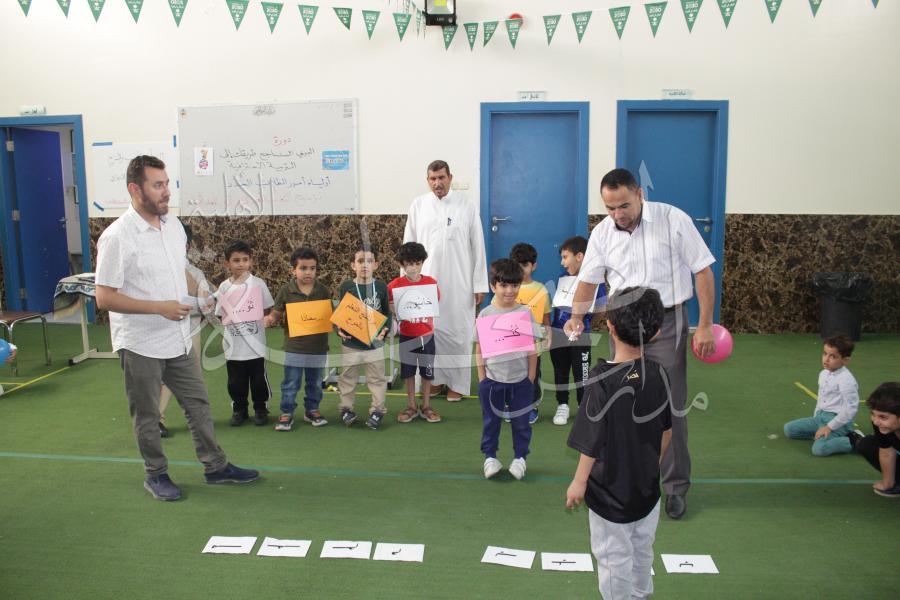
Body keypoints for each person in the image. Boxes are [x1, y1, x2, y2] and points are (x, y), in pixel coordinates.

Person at [95, 154, 259, 502]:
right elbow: (104, 298)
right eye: (158, 185)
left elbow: (177, 270)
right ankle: (156, 474)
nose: (166, 191)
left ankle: (215, 467)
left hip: (179, 336)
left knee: (198, 403)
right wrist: (160, 307)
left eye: (167, 183)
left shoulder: (173, 226)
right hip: (139, 342)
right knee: (148, 413)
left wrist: (201, 297)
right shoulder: (117, 237)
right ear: (135, 189)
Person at [565, 168, 716, 520]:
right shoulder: (602, 233)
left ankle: (674, 486)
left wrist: (706, 326)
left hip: (666, 321)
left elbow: (703, 271)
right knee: (620, 402)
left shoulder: (673, 219)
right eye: (610, 208)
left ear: (639, 194)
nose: (618, 214)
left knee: (669, 406)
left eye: (624, 205)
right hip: (622, 326)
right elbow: (588, 280)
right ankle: (622, 478)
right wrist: (576, 316)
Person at [566, 286, 672, 600]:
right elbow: (667, 431)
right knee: (642, 549)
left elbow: (591, 440)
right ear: (656, 333)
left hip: (609, 495)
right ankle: (640, 594)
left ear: (610, 327)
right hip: (647, 490)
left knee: (613, 558)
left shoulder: (601, 380)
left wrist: (578, 482)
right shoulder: (659, 374)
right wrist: (650, 466)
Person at [403, 160, 488, 401]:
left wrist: (479, 283)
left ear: (450, 177)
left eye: (441, 177)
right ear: (427, 180)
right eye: (433, 179)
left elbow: (478, 246)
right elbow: (408, 245)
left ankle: (457, 385)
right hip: (425, 282)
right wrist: (406, 284)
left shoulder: (466, 205)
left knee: (459, 332)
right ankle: (434, 381)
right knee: (430, 332)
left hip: (460, 282)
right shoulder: (418, 205)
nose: (437, 183)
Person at [475, 259, 537, 481]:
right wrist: (483, 379)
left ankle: (520, 458)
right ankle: (490, 457)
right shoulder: (485, 315)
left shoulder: (525, 313)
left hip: (521, 382)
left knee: (521, 423)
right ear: (493, 286)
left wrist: (530, 378)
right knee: (491, 421)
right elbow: (480, 349)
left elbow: (531, 349)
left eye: (514, 285)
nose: (509, 291)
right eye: (503, 285)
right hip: (492, 381)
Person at [264, 247, 332, 431]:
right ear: (293, 270)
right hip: (294, 347)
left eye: (312, 268)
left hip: (318, 347)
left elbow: (329, 315)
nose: (308, 272)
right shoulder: (286, 291)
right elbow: (276, 313)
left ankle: (312, 410)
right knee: (291, 383)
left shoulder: (323, 291)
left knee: (315, 382)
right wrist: (270, 319)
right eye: (303, 268)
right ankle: (286, 412)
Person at [158, 222, 210, 438]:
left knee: (191, 374)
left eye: (180, 243)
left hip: (190, 329)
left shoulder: (195, 272)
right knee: (162, 375)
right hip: (162, 330)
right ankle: (157, 418)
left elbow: (205, 303)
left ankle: (197, 418)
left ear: (187, 246)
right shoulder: (156, 270)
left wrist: (182, 270)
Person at [215, 240, 275, 427]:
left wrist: (267, 318)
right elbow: (220, 314)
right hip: (233, 347)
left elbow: (267, 308)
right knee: (235, 382)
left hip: (256, 346)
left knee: (259, 381)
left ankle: (261, 409)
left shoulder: (258, 284)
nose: (241, 264)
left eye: (245, 259)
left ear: (251, 261)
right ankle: (239, 410)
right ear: (227, 263)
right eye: (236, 260)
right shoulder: (224, 287)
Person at [336, 246, 392, 430]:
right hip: (351, 344)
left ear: (376, 264)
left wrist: (385, 329)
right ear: (353, 265)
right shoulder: (347, 287)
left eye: (369, 261)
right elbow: (341, 313)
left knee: (377, 379)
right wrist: (338, 328)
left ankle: (377, 410)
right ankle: (346, 409)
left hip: (375, 345)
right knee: (347, 378)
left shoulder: (381, 287)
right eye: (360, 261)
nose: (365, 265)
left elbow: (387, 313)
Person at [387, 242, 441, 424]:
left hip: (427, 336)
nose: (414, 267)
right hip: (407, 336)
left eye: (417, 263)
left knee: (427, 372)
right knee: (408, 372)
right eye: (409, 263)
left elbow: (435, 303)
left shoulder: (431, 283)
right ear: (401, 264)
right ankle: (411, 406)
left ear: (422, 263)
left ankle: (426, 406)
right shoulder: (395, 286)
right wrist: (393, 308)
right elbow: (389, 305)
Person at [549, 236, 601, 426]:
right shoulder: (562, 278)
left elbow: (601, 309)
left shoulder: (595, 280)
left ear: (579, 256)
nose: (562, 263)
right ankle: (562, 404)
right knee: (560, 371)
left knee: (582, 373)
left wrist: (585, 324)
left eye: (565, 257)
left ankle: (583, 405)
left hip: (581, 336)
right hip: (558, 334)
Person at [783, 335, 859, 456]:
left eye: (832, 356)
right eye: (825, 354)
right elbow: (821, 398)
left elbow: (851, 409)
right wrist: (816, 416)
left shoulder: (846, 380)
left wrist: (829, 427)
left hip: (837, 421)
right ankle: (823, 436)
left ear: (845, 360)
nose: (826, 359)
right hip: (820, 417)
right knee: (789, 430)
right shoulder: (823, 373)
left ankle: (853, 440)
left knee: (819, 449)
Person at [506, 243, 551, 425]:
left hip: (533, 345)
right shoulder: (507, 288)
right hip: (511, 344)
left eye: (525, 265)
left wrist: (549, 335)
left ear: (534, 266)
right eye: (517, 265)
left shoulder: (541, 290)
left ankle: (531, 407)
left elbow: (546, 317)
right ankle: (511, 406)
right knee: (510, 376)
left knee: (532, 376)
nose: (521, 269)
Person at [849, 382, 900, 498]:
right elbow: (886, 452)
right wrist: (888, 483)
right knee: (867, 444)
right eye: (873, 414)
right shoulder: (881, 425)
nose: (876, 421)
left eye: (883, 417)